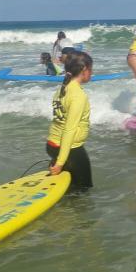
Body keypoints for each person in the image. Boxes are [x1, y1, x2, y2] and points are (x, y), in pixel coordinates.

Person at [46, 51, 94, 189]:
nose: (92, 73)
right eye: (91, 69)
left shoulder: (62, 89)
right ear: (84, 69)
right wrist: (61, 161)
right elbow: (69, 129)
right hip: (70, 149)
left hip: (52, 145)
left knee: (69, 187)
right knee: (84, 190)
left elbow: (57, 120)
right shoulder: (78, 95)